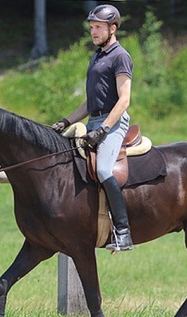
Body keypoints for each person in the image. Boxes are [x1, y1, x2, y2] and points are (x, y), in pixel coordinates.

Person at [51, 4, 133, 252]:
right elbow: (91, 101)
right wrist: (66, 121)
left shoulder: (120, 56)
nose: (93, 32)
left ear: (113, 28)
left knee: (104, 170)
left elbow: (124, 99)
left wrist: (104, 129)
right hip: (93, 120)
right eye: (91, 28)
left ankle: (123, 232)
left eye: (98, 27)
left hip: (114, 121)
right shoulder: (96, 57)